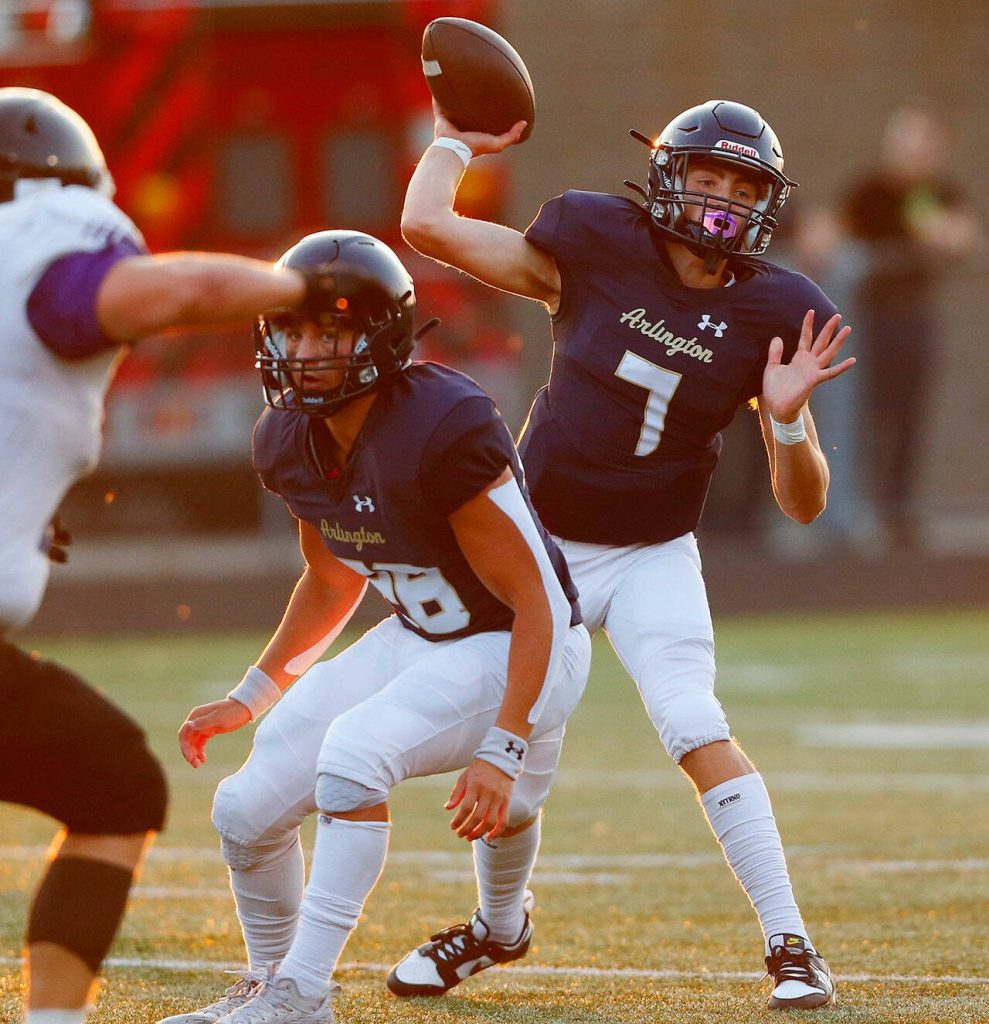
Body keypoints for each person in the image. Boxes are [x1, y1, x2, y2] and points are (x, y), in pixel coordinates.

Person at [400, 98, 853, 1010]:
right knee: (517, 770)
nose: (719, 199)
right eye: (706, 176)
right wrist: (453, 141)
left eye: (740, 184)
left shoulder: (778, 307)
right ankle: (497, 929)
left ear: (767, 199)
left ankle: (791, 944)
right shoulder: (595, 246)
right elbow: (424, 226)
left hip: (652, 551)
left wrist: (788, 417)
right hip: (543, 553)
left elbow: (802, 506)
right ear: (666, 176)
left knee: (694, 723)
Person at [157, 230, 591, 1024]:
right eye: (292, 329)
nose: (306, 349)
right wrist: (253, 694)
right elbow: (331, 577)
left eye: (331, 331)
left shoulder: (442, 420)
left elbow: (540, 602)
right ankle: (269, 986)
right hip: (422, 639)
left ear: (382, 336)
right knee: (243, 810)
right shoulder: (285, 437)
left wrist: (504, 743)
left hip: (522, 640)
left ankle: (304, 991)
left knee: (354, 759)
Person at [0, 87, 357, 1024]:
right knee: (115, 784)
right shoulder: (44, 248)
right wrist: (301, 287)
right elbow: (172, 293)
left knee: (109, 777)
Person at [841, 105, 982, 549]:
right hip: (869, 319)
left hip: (916, 313)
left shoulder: (940, 191)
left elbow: (965, 238)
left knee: (910, 414)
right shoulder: (869, 191)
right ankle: (859, 507)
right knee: (868, 411)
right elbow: (837, 242)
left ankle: (898, 508)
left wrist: (946, 236)